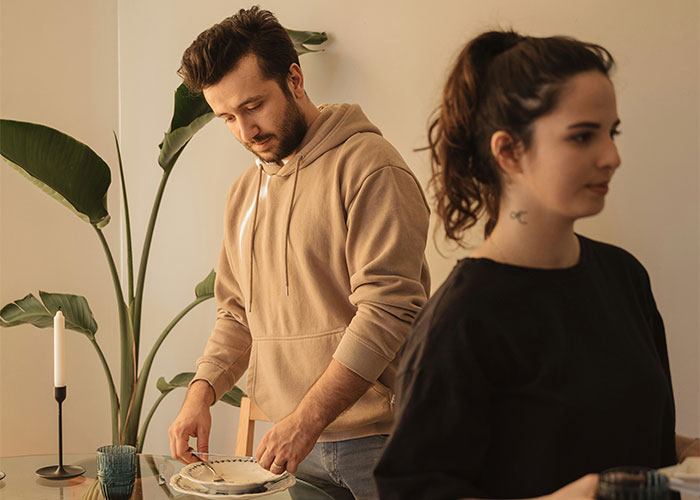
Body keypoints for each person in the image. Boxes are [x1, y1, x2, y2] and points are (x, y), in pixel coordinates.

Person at [374, 30, 697, 500]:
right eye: (583, 136)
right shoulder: (461, 321)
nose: (612, 157)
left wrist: (688, 452)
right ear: (509, 152)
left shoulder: (625, 277)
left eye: (612, 132)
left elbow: (611, 435)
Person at [168, 7, 431, 500]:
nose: (245, 131)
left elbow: (388, 310)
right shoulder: (245, 192)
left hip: (381, 440)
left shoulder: (370, 168)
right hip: (292, 447)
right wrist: (200, 393)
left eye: (253, 106)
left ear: (294, 78)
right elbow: (236, 312)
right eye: (227, 117)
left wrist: (306, 419)